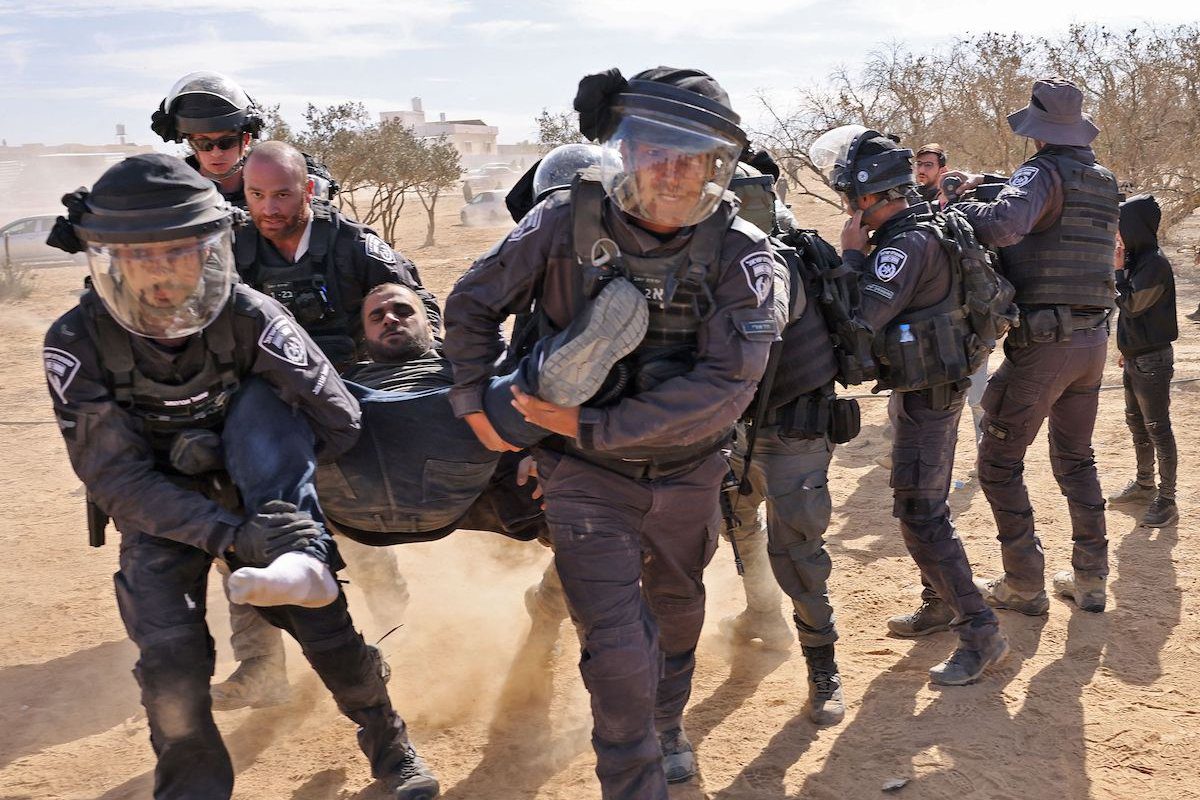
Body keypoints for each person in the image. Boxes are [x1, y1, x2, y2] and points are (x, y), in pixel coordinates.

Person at [41, 154, 439, 800]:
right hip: (161, 509)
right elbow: (116, 482)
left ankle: (392, 749)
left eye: (179, 254)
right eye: (142, 259)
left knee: (326, 628)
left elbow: (338, 417)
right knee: (170, 665)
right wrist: (228, 535)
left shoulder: (250, 315)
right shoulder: (77, 344)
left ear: (211, 251)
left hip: (260, 500)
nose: (163, 275)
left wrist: (263, 464)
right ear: (110, 261)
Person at [445, 67, 776, 797]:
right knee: (618, 649)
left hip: (686, 471)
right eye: (659, 149)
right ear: (625, 151)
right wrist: (474, 400)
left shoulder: (743, 252)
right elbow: (471, 303)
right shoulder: (563, 222)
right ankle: (634, 777)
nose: (675, 172)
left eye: (696, 157)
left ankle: (669, 723)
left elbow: (727, 386)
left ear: (721, 167)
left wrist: (590, 420)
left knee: (680, 609)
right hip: (585, 478)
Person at [209, 140, 440, 709]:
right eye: (256, 195)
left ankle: (399, 627)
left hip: (352, 405)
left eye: (282, 194)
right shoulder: (234, 252)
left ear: (308, 189)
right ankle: (260, 665)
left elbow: (422, 312)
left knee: (356, 521)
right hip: (269, 410)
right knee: (242, 526)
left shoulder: (356, 247)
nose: (268, 208)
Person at [808, 124, 1008, 685]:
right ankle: (940, 603)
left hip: (929, 393)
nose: (851, 208)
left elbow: (857, 321)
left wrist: (849, 257)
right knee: (923, 505)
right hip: (930, 383)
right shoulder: (928, 225)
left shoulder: (902, 245)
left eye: (853, 198)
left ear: (869, 197)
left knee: (921, 513)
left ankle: (980, 630)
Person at [945, 77, 1119, 614]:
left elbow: (1005, 225)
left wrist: (962, 206)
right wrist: (995, 185)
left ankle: (1023, 583)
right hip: (1092, 341)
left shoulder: (1039, 172)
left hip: (1044, 344)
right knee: (1076, 458)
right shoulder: (1104, 178)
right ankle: (1090, 579)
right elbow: (1054, 216)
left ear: (1038, 131)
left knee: (998, 460)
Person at [717, 157, 852, 725]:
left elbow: (760, 330)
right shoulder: (730, 259)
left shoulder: (772, 262)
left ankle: (823, 666)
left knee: (796, 550)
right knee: (738, 521)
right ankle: (761, 614)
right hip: (741, 426)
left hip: (792, 429)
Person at [1107, 194, 1179, 528]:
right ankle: (1144, 484)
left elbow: (1133, 305)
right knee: (1136, 424)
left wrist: (1118, 271)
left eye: (1121, 225)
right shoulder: (1137, 259)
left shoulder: (1155, 263)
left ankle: (1167, 499)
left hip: (1153, 360)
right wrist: (1125, 347)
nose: (1117, 233)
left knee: (1157, 429)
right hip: (1135, 357)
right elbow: (1131, 316)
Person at [152, 71, 263, 206]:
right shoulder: (175, 192)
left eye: (226, 142)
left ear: (245, 140)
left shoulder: (268, 184)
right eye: (204, 144)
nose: (216, 153)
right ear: (192, 144)